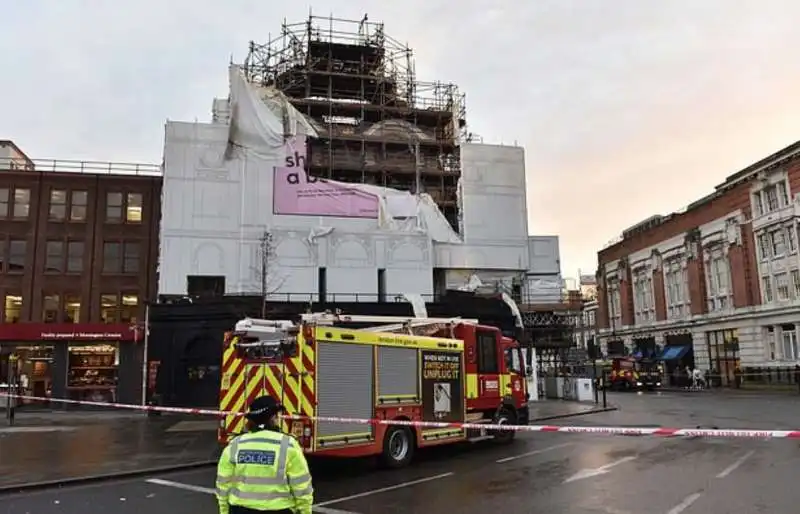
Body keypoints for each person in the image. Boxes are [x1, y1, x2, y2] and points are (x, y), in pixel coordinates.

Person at [216, 396, 314, 514]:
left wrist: (224, 510)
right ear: (273, 417)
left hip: (240, 509)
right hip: (278, 509)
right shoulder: (288, 445)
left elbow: (223, 484)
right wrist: (305, 511)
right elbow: (301, 486)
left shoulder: (235, 445)